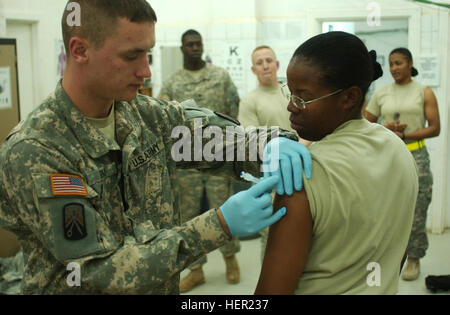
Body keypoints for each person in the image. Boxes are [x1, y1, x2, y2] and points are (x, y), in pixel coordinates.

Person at [0, 0, 311, 295]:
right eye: (131, 56)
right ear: (80, 50)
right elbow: (100, 268)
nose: (146, 71)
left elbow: (212, 140)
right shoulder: (36, 150)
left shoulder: (144, 116)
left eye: (147, 54)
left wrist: (267, 144)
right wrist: (219, 224)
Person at [255, 31, 419, 295]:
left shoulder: (303, 174)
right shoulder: (398, 149)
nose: (291, 106)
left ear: (349, 97)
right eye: (290, 92)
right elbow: (395, 254)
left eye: (303, 97)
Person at [158, 29, 241, 292]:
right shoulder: (172, 83)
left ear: (202, 46)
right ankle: (196, 270)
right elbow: (160, 118)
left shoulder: (220, 76)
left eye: (198, 44)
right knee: (188, 216)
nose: (194, 48)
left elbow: (232, 110)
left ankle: (230, 259)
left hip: (219, 157)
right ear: (182, 49)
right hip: (187, 162)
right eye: (189, 44)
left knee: (224, 209)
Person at [365, 47, 440, 281]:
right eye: (391, 64)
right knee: (383, 208)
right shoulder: (382, 93)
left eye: (399, 63)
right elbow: (366, 124)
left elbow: (435, 128)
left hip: (415, 155)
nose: (394, 68)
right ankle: (387, 258)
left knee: (417, 208)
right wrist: (385, 130)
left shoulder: (423, 92)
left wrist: (407, 136)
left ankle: (414, 258)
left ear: (410, 64)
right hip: (386, 155)